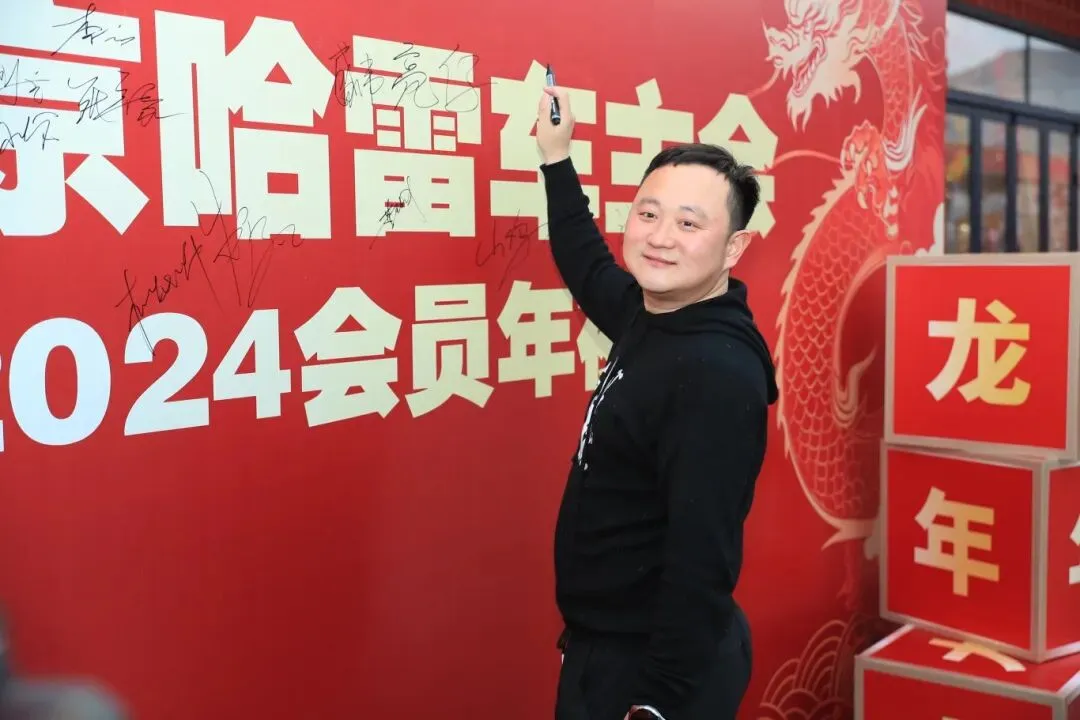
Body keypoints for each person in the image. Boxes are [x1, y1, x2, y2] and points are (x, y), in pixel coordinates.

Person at [536, 84, 779, 720]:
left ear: (733, 248)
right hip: (610, 646)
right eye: (648, 214)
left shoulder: (714, 373)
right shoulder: (656, 315)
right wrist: (557, 157)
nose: (660, 237)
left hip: (654, 671)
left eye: (689, 224)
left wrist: (655, 704)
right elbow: (588, 266)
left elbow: (702, 562)